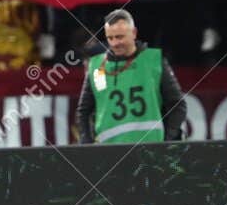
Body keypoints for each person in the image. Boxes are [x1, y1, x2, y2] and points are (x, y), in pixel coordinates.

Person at [74, 9, 184, 144]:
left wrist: (167, 141)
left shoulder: (153, 61)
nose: (114, 43)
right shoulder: (97, 67)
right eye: (110, 38)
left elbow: (177, 104)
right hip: (109, 154)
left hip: (150, 152)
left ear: (134, 33)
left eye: (119, 37)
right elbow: (84, 111)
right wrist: (86, 143)